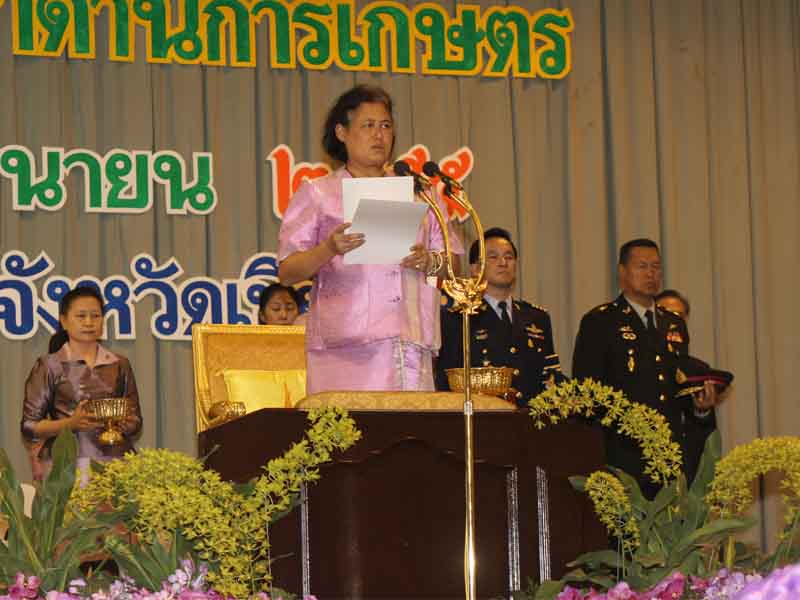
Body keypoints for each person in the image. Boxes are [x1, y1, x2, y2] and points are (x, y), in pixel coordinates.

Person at [278, 84, 462, 393]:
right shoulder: (319, 193)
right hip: (345, 352)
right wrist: (328, 248)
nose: (379, 135)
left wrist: (429, 260)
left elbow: (454, 264)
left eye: (386, 126)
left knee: (413, 426)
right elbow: (287, 271)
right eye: (368, 125)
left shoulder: (420, 192)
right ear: (341, 132)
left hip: (410, 346)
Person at [572, 239, 721, 498]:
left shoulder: (673, 324)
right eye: (642, 266)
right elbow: (587, 393)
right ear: (622, 272)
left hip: (669, 456)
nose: (651, 274)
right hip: (622, 456)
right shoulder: (601, 321)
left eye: (656, 267)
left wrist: (699, 408)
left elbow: (678, 386)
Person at [21, 286, 142, 483]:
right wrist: (70, 424)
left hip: (118, 465)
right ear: (64, 321)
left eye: (95, 316)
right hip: (66, 467)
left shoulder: (120, 363)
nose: (88, 322)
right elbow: (29, 426)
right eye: (81, 316)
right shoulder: (49, 365)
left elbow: (136, 421)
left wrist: (120, 423)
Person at [435, 228, 565, 407]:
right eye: (493, 257)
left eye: (509, 257)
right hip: (484, 417)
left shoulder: (537, 317)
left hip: (531, 417)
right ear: (475, 268)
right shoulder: (459, 318)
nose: (503, 263)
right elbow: (446, 382)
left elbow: (551, 377)